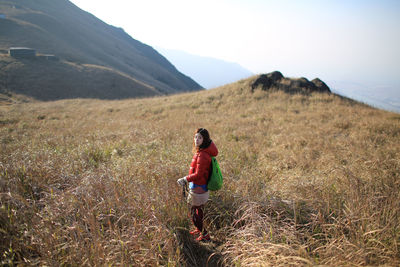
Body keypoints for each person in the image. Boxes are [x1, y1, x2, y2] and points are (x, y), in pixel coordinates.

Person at [177, 128, 218, 242]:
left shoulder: (203, 155)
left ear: (205, 140)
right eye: (195, 137)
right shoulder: (202, 152)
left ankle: (204, 234)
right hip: (200, 186)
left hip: (199, 187)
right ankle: (199, 229)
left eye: (200, 137)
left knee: (193, 212)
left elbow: (198, 174)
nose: (197, 139)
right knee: (198, 210)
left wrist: (185, 179)